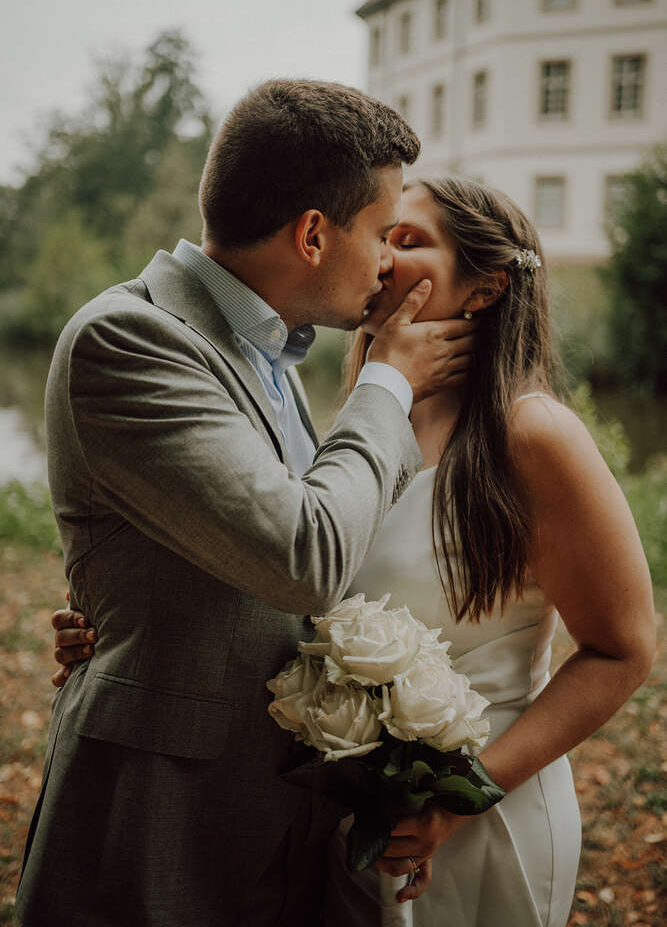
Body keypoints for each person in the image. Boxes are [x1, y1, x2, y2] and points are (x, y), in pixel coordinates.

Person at [56, 176, 655, 927]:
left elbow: (622, 649)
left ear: (486, 287)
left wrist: (459, 796)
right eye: (380, 236)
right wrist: (119, 618)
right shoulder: (361, 419)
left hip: (473, 820)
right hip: (336, 819)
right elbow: (285, 561)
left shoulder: (532, 434)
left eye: (406, 242)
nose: (379, 258)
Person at [16, 81, 478, 927]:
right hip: (163, 807)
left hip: (285, 814)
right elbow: (302, 558)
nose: (385, 262)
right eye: (380, 233)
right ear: (311, 234)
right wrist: (387, 381)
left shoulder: (267, 348)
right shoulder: (130, 336)